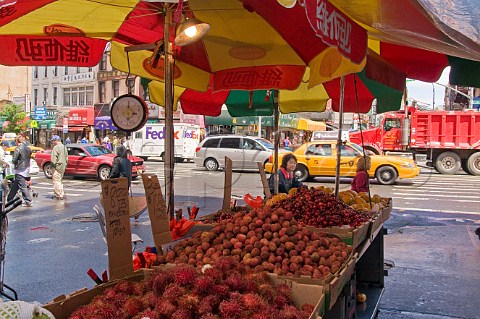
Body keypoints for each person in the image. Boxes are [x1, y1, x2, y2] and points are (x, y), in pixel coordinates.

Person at [7, 135, 33, 207]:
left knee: (22, 185)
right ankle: (10, 199)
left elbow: (14, 159)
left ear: (17, 141)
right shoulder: (28, 149)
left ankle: (28, 201)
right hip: (26, 167)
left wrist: (14, 163)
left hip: (20, 168)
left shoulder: (18, 149)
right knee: (16, 184)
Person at [50, 135, 68, 200]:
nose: (52, 142)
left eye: (53, 141)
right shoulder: (64, 147)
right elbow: (66, 158)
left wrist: (53, 166)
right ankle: (61, 193)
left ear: (55, 141)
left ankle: (59, 194)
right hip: (63, 166)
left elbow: (53, 159)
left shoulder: (56, 147)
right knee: (60, 180)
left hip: (57, 166)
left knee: (56, 180)